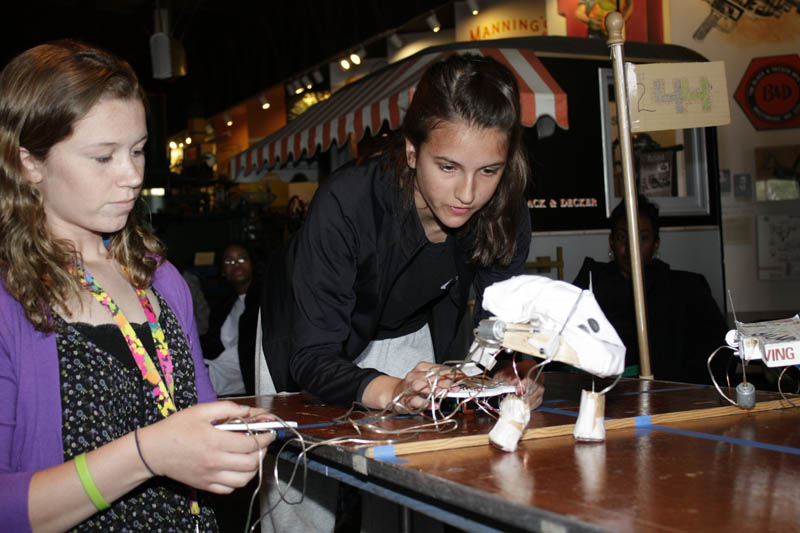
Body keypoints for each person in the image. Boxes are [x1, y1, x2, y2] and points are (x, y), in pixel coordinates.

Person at [255, 54, 544, 532]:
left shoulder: (506, 208)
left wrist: (517, 371)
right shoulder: (346, 205)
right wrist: (390, 391)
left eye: (489, 171)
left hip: (404, 324)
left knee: (413, 482)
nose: (468, 194)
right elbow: (312, 355)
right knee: (303, 496)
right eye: (448, 167)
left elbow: (503, 325)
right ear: (411, 150)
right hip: (305, 327)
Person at [0, 41, 273, 532]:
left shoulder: (160, 278)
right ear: (29, 163)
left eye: (139, 150)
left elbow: (198, 415)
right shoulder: (7, 298)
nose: (132, 176)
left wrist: (236, 437)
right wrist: (148, 454)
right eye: (103, 157)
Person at [572, 195, 728, 383]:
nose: (631, 247)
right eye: (623, 237)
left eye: (642, 238)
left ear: (656, 243)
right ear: (611, 241)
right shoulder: (590, 287)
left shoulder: (685, 290)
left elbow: (720, 353)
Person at [202, 243, 260, 396]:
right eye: (229, 261)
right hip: (220, 370)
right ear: (222, 271)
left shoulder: (266, 302)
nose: (236, 265)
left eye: (242, 259)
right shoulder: (223, 308)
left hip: (248, 375)